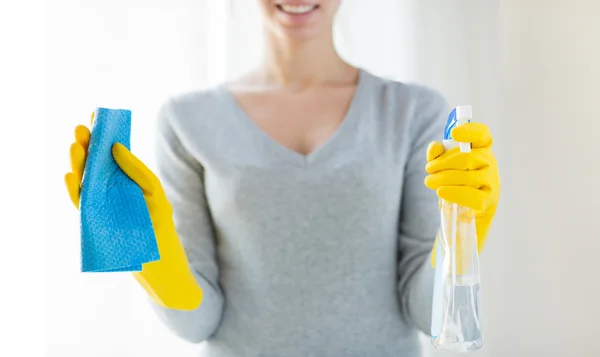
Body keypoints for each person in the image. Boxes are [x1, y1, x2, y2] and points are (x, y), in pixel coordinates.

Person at [64, 0, 500, 356]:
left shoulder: (413, 112)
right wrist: (147, 252)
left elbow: (428, 312)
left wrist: (467, 224)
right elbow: (197, 322)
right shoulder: (187, 120)